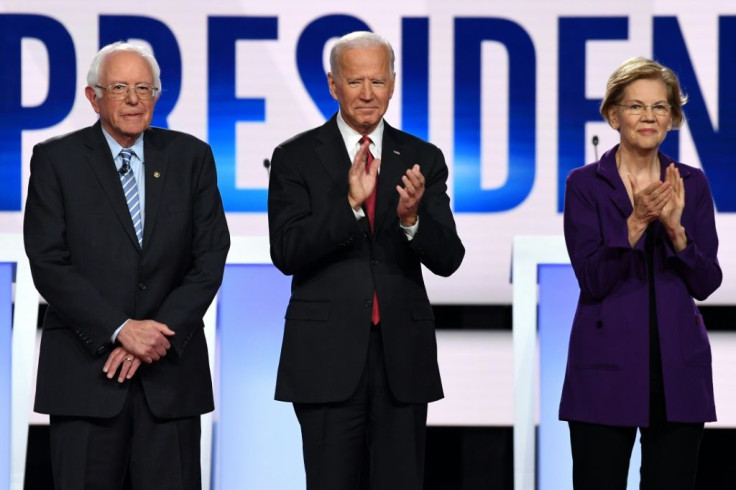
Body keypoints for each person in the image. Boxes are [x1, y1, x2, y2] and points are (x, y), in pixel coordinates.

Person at [23, 42, 230, 490]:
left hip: (170, 376)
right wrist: (120, 328)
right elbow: (48, 261)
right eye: (119, 88)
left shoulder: (191, 158)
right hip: (86, 376)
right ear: (93, 97)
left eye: (144, 88)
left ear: (157, 95)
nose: (134, 99)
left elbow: (210, 257)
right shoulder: (56, 161)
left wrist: (155, 331)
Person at [267, 31, 465, 489]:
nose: (368, 94)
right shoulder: (295, 156)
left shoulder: (422, 158)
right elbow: (287, 251)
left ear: (393, 84)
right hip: (325, 359)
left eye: (378, 81)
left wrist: (412, 219)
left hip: (402, 357)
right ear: (333, 85)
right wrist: (350, 206)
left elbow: (449, 258)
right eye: (355, 82)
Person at [559, 57, 722, 489]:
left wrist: (675, 230)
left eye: (660, 107)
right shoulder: (585, 185)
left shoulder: (692, 183)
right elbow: (593, 280)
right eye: (635, 106)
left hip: (677, 372)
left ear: (673, 117)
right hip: (605, 368)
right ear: (613, 115)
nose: (649, 116)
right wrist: (634, 223)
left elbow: (706, 282)